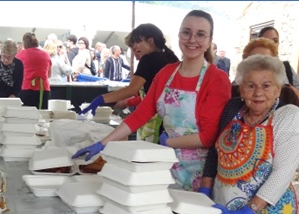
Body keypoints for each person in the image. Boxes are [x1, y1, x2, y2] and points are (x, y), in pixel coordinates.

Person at [73, 10, 231, 191]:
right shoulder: (166, 74)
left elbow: (209, 137)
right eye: (186, 32)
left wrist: (169, 142)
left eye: (200, 34)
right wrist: (103, 143)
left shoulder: (216, 79)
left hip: (201, 175)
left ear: (209, 41)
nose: (192, 39)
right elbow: (142, 113)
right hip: (164, 166)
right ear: (179, 35)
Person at [200, 55, 299, 214]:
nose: (258, 92)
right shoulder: (233, 108)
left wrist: (249, 210)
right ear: (241, 89)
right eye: (250, 85)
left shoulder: (290, 117)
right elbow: (215, 151)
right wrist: (205, 191)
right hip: (223, 207)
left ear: (278, 89)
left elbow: (283, 172)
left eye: (266, 85)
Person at [81, 23, 180, 144]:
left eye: (138, 42)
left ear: (151, 41)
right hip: (173, 120)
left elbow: (132, 90)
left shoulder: (149, 59)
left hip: (155, 121)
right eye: (133, 45)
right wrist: (127, 102)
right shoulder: (169, 57)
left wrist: (101, 99)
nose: (135, 48)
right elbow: (152, 96)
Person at [258, 26, 299, 101]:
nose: (272, 44)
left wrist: (293, 92)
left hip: (287, 110)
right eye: (267, 40)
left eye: (275, 40)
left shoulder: (286, 67)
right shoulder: (248, 67)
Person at [15, 32, 52, 109]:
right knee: (42, 114)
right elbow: (49, 75)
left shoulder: (20, 55)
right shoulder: (46, 54)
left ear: (24, 43)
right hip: (43, 88)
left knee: (27, 115)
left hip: (26, 88)